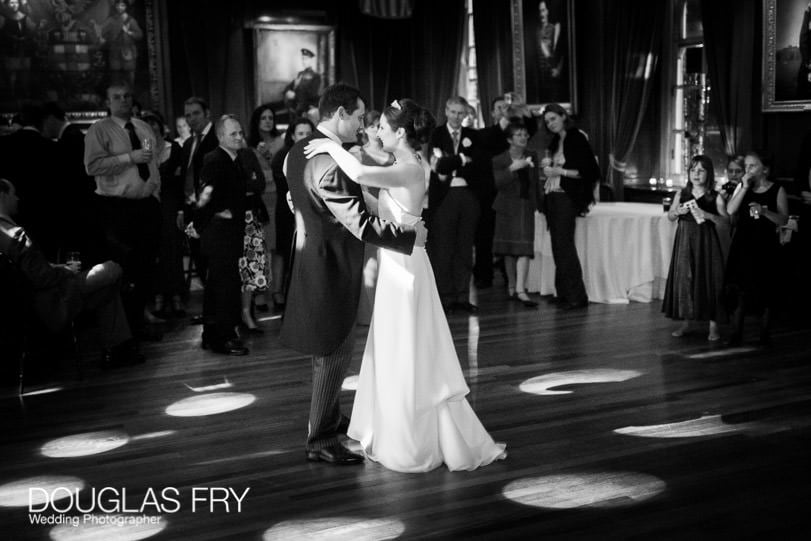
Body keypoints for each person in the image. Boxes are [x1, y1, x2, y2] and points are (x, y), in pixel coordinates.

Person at [305, 98, 506, 473]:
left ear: (400, 133)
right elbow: (377, 202)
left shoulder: (412, 168)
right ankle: (397, 425)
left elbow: (363, 176)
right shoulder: (400, 167)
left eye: (383, 126)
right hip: (396, 264)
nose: (377, 131)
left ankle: (412, 438)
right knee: (394, 346)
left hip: (406, 270)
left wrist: (331, 146)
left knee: (406, 347)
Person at [279, 83, 424, 466]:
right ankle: (321, 439)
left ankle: (328, 416)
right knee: (334, 350)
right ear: (340, 114)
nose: (363, 125)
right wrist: (409, 236)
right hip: (330, 264)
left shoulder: (297, 150)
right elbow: (358, 223)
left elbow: (294, 198)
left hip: (314, 258)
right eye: (359, 116)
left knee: (328, 348)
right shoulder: (329, 161)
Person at [0, 178, 140, 367]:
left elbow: (31, 271)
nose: (17, 198)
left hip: (30, 302)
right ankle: (118, 346)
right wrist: (65, 271)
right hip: (52, 300)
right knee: (111, 269)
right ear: (2, 195)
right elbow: (43, 278)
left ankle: (118, 348)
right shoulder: (15, 235)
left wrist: (56, 267)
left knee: (106, 287)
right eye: (13, 193)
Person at [83, 82, 162, 339]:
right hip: (117, 208)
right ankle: (125, 331)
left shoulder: (142, 126)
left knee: (146, 267)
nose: (124, 101)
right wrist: (129, 158)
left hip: (146, 205)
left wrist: (155, 191)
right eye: (117, 97)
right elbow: (92, 166)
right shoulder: (98, 130)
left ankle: (140, 322)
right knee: (124, 269)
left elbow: (154, 161)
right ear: (107, 103)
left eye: (128, 96)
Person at [187, 115, 251, 356]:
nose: (239, 136)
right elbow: (206, 196)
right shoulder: (215, 159)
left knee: (219, 285)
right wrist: (200, 224)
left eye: (240, 132)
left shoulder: (234, 158)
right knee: (224, 286)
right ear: (220, 136)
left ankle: (212, 335)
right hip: (220, 233)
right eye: (233, 133)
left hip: (227, 232)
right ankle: (223, 338)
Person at [427, 96, 485, 314]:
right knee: (443, 247)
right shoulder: (436, 134)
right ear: (446, 111)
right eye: (453, 112)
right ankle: (445, 297)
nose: (457, 117)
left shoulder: (474, 136)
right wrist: (461, 159)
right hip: (444, 197)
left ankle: (462, 296)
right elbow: (438, 166)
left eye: (461, 113)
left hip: (468, 195)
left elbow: (478, 166)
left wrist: (453, 162)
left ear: (466, 114)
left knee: (464, 246)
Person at [724, 150, 788, 346]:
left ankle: (765, 334)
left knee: (766, 289)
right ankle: (736, 334)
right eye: (746, 166)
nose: (747, 170)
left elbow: (783, 219)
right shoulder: (744, 187)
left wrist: (765, 211)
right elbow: (730, 210)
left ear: (765, 170)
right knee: (740, 289)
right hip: (743, 244)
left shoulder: (777, 189)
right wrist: (743, 187)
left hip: (766, 245)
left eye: (752, 166)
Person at [540, 103, 600, 310]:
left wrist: (559, 172)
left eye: (553, 119)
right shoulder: (556, 140)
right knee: (558, 246)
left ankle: (577, 296)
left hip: (567, 196)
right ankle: (564, 293)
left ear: (563, 116)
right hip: (554, 196)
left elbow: (589, 171)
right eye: (547, 121)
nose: (550, 124)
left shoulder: (576, 137)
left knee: (564, 245)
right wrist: (550, 169)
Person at [662, 155, 728, 341]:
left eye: (701, 170)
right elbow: (670, 217)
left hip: (706, 243)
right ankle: (686, 322)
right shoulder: (681, 194)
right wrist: (677, 212)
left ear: (709, 173)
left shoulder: (715, 196)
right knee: (685, 279)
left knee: (710, 279)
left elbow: (726, 222)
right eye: (693, 170)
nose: (696, 174)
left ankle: (713, 326)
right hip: (684, 241)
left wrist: (708, 215)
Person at [141, 111, 185, 318]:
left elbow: (181, 181)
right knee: (154, 250)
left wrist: (180, 209)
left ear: (160, 127)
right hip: (149, 204)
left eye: (154, 125)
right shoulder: (140, 152)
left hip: (170, 204)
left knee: (172, 248)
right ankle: (158, 296)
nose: (151, 129)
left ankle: (176, 296)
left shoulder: (174, 148)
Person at [492, 121, 540, 308]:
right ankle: (512, 286)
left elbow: (535, 183)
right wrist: (513, 168)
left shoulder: (532, 155)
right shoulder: (499, 159)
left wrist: (539, 205)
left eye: (525, 134)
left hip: (525, 206)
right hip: (506, 207)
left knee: (524, 249)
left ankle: (521, 290)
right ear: (509, 139)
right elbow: (497, 183)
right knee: (509, 250)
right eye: (519, 134)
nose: (523, 137)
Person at [268, 117, 314, 311]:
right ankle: (292, 306)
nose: (304, 137)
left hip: (313, 215)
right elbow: (288, 189)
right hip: (289, 215)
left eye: (308, 133)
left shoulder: (318, 153)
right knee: (291, 258)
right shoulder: (282, 157)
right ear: (293, 135)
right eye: (300, 133)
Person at [247, 104, 285, 312]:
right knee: (260, 246)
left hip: (278, 196)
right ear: (256, 121)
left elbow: (282, 170)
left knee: (277, 246)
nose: (268, 121)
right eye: (264, 118)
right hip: (259, 199)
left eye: (271, 117)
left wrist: (271, 160)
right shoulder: (247, 144)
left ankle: (278, 290)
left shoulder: (280, 142)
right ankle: (260, 292)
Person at [283, 48, 322, 117]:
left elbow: (312, 94)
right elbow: (290, 86)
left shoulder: (316, 76)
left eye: (306, 59)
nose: (304, 61)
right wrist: (287, 91)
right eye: (303, 59)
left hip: (306, 108)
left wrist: (295, 95)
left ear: (311, 60)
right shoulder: (300, 74)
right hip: (294, 107)